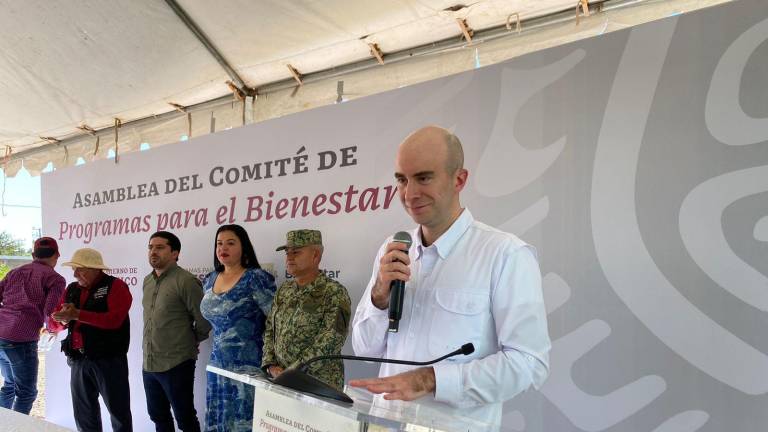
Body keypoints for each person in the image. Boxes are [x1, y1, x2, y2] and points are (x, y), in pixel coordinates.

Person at [350, 126, 551, 427]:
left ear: (459, 179)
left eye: (424, 177)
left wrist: (430, 379)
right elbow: (365, 350)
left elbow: (528, 363)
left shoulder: (505, 254)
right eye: (402, 180)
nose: (409, 193)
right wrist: (379, 297)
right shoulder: (392, 249)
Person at [200, 224, 276, 432]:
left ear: (244, 247)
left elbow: (276, 322)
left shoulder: (256, 278)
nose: (223, 248)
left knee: (243, 423)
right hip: (217, 365)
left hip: (248, 367)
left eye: (231, 243)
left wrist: (273, 361)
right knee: (219, 422)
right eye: (219, 243)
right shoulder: (209, 280)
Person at [50, 248, 133, 432]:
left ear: (95, 269)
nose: (75, 273)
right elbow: (58, 322)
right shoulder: (71, 289)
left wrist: (77, 314)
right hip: (78, 360)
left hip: (109, 360)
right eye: (74, 269)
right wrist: (60, 318)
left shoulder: (116, 286)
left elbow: (114, 320)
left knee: (119, 413)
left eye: (80, 269)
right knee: (84, 415)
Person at [262, 229, 351, 390]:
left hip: (317, 384)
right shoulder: (284, 290)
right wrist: (270, 365)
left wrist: (292, 372)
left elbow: (331, 340)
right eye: (287, 253)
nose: (289, 257)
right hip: (279, 381)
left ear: (315, 255)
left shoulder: (334, 292)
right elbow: (270, 329)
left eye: (295, 252)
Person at [143, 231, 211, 432]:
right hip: (150, 363)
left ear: (175, 253)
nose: (153, 252)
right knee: (158, 416)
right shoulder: (147, 281)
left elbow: (204, 321)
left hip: (177, 363)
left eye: (160, 247)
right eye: (150, 247)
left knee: (185, 418)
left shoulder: (186, 281)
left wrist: (190, 342)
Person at [0, 237, 65, 414]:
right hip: (21, 338)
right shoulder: (55, 279)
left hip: (1, 334)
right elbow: (50, 312)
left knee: (9, 385)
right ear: (57, 255)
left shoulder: (14, 272)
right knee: (27, 393)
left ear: (33, 254)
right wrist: (55, 329)